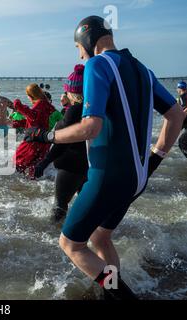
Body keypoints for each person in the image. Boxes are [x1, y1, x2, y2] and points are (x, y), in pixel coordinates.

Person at [24, 15, 185, 299]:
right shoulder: (143, 70)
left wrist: (47, 136)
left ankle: (122, 296)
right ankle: (109, 293)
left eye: (78, 47)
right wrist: (156, 156)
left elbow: (90, 127)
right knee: (100, 237)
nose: (80, 54)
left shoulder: (97, 64)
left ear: (86, 39)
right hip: (137, 177)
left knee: (71, 244)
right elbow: (174, 115)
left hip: (107, 175)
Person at [34, 65, 88, 223]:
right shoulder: (96, 109)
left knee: (59, 207)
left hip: (71, 166)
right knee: (84, 206)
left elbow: (62, 141)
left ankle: (52, 238)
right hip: (90, 166)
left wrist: (44, 162)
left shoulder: (75, 110)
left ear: (72, 92)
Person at [12, 84, 56, 177]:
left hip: (34, 141)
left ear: (31, 95)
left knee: (17, 163)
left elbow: (33, 116)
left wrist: (18, 105)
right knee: (33, 167)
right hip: (43, 141)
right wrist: (17, 123)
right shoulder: (44, 104)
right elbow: (35, 122)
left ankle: (19, 186)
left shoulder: (40, 103)